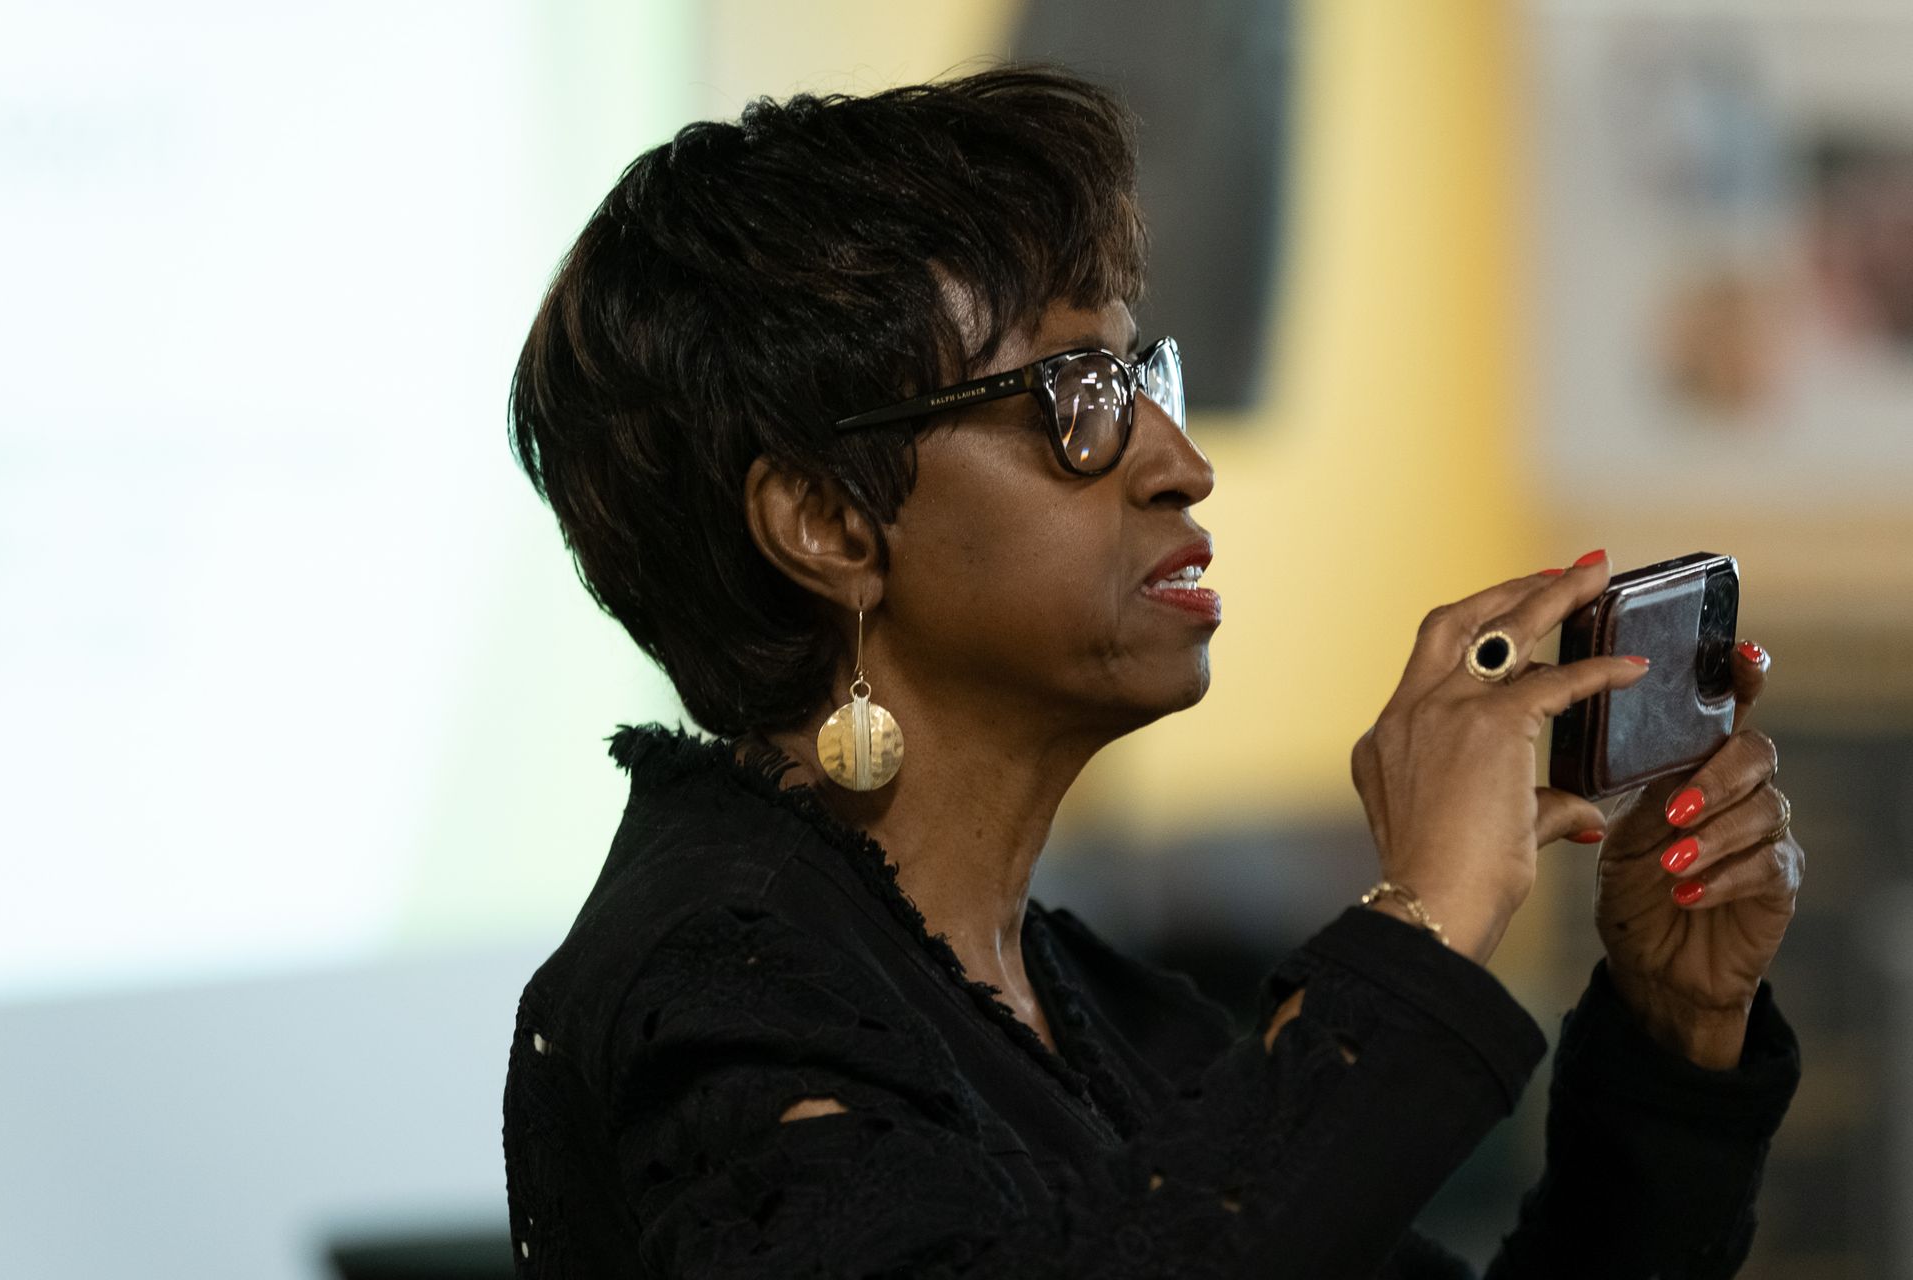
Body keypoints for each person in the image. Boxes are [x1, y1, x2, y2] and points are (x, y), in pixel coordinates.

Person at [499, 66, 1802, 1278]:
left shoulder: (1079, 1003)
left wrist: (1672, 1036)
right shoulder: (721, 994)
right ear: (830, 527)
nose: (1181, 459)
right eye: (1079, 392)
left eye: (1142, 372)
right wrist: (1425, 919)